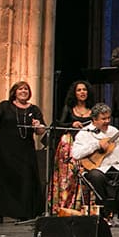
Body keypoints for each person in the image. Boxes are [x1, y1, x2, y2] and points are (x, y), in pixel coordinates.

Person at [0, 81, 46, 224]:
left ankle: (23, 212)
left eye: (26, 89)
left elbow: (41, 131)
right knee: (3, 180)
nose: (23, 91)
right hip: (4, 150)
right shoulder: (5, 106)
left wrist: (38, 125)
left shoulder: (34, 109)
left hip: (25, 151)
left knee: (25, 180)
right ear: (14, 92)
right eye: (20, 89)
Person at [69, 103, 119, 224]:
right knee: (97, 177)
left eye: (108, 118)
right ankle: (105, 213)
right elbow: (75, 154)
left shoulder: (114, 131)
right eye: (103, 119)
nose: (107, 121)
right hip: (97, 168)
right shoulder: (84, 133)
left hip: (115, 167)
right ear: (94, 119)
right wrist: (96, 145)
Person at [48, 80, 95, 214]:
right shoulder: (68, 108)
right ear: (74, 93)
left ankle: (82, 207)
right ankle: (64, 206)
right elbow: (58, 124)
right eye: (79, 90)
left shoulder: (92, 110)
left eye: (84, 90)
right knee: (67, 177)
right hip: (70, 145)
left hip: (87, 146)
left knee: (84, 176)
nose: (82, 92)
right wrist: (71, 124)